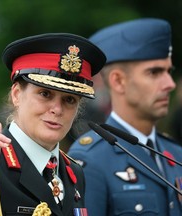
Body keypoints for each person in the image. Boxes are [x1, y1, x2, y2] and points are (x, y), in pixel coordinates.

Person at [0, 33, 106, 215]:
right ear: (16, 94)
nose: (57, 109)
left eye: (69, 99)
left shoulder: (73, 172)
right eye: (45, 94)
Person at [68, 18, 182, 216]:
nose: (169, 84)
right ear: (118, 81)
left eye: (168, 71)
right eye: (154, 72)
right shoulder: (91, 159)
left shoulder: (175, 153)